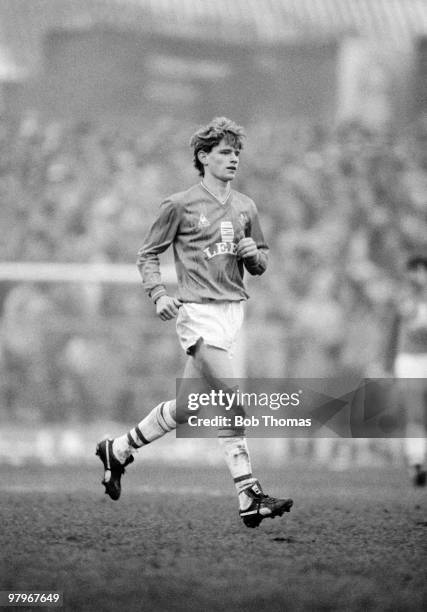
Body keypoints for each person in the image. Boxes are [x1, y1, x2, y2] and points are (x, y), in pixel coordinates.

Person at [96, 117, 293, 527]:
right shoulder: (179, 205)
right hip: (197, 314)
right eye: (224, 152)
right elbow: (147, 254)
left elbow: (262, 263)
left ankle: (117, 449)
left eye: (236, 152)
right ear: (203, 157)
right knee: (232, 401)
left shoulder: (246, 207)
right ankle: (248, 494)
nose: (233, 158)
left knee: (187, 408)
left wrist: (251, 255)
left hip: (232, 314)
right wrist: (159, 294)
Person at [384, 254, 427, 486]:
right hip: (410, 358)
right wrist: (387, 363)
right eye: (412, 271)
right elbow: (392, 331)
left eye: (418, 270)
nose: (414, 276)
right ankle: (416, 462)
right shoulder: (404, 299)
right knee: (415, 412)